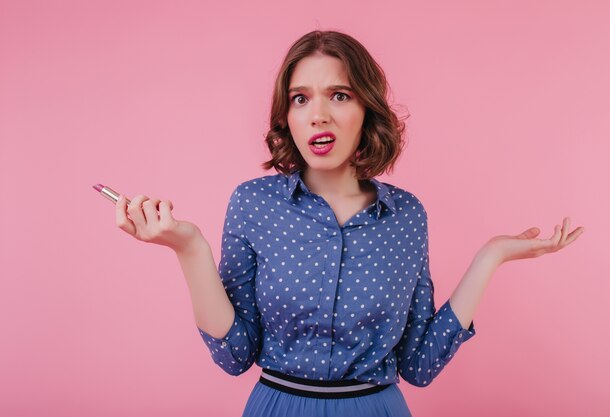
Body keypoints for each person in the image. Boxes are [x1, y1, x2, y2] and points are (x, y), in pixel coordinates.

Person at [114, 30, 584, 417]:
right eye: (301, 98)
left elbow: (418, 364)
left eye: (339, 95)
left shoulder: (406, 216)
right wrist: (188, 247)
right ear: (287, 116)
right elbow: (234, 354)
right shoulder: (254, 204)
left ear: (366, 109)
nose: (318, 114)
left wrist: (491, 256)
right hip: (277, 407)